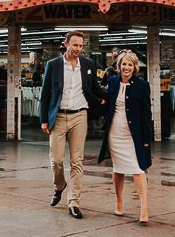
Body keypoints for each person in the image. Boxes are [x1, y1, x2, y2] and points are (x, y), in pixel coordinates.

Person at [39, 30, 105, 220]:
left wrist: (113, 92)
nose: (77, 49)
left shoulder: (88, 64)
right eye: (74, 45)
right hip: (58, 117)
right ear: (66, 44)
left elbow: (95, 88)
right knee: (56, 160)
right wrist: (44, 119)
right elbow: (45, 95)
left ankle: (74, 202)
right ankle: (59, 186)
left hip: (79, 117)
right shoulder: (53, 65)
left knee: (77, 161)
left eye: (80, 46)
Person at [98, 50, 152, 225]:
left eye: (130, 64)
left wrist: (146, 138)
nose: (126, 67)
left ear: (134, 67)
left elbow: (146, 113)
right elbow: (105, 100)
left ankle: (144, 208)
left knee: (138, 169)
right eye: (123, 64)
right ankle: (119, 201)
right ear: (118, 66)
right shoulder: (112, 82)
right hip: (115, 132)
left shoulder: (142, 85)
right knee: (118, 168)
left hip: (133, 135)